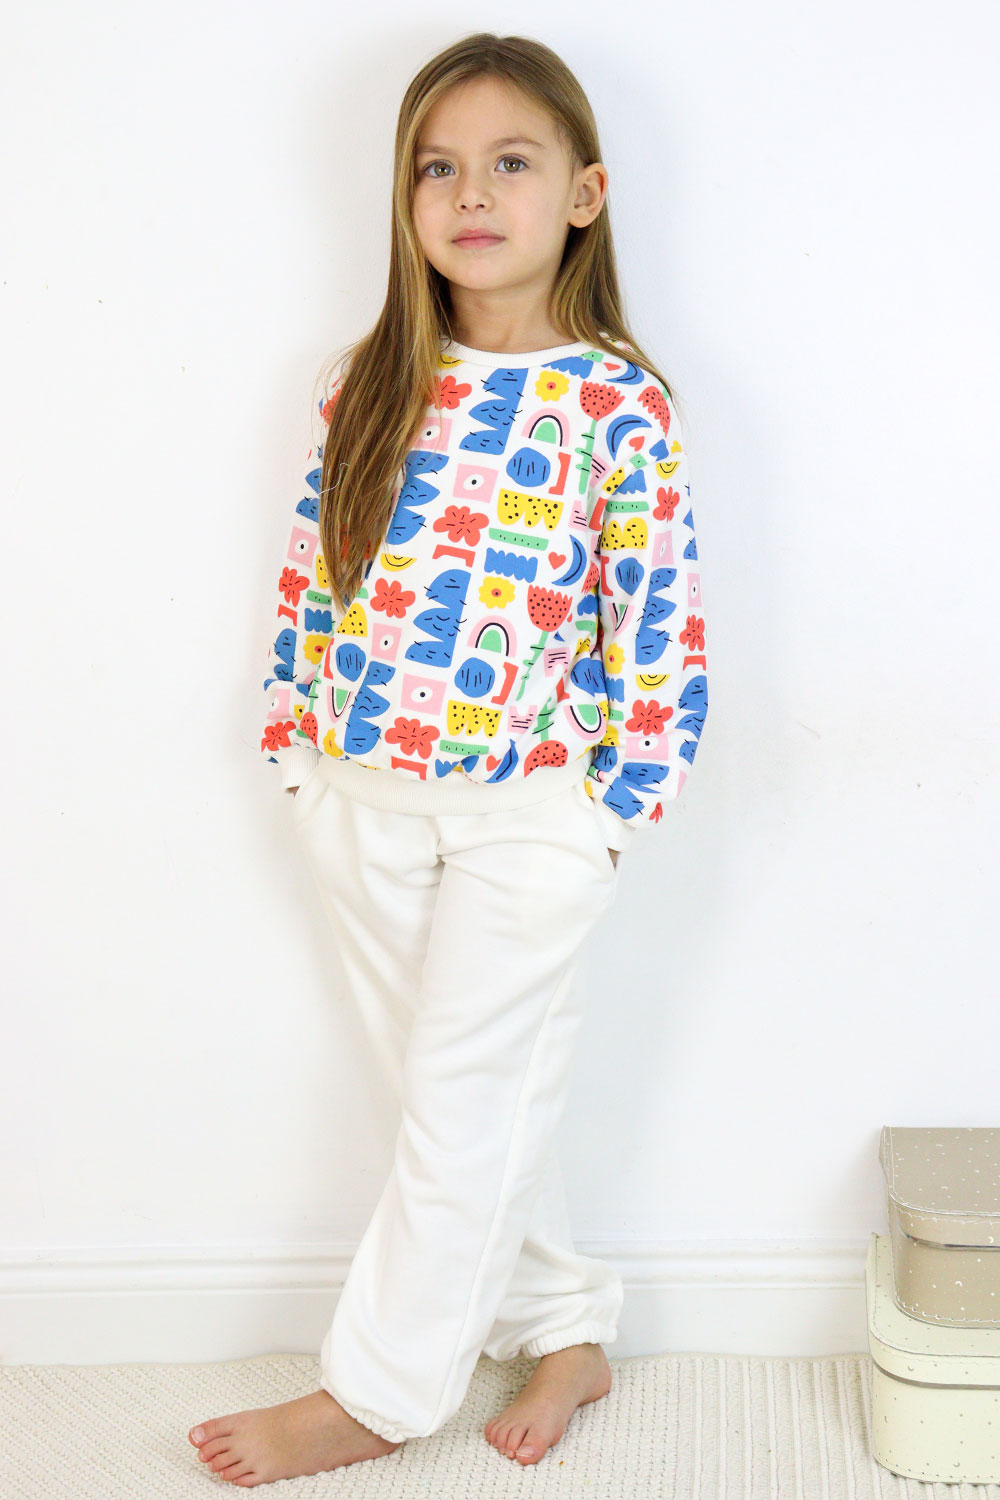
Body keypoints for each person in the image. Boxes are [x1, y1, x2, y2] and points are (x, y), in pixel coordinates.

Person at [189, 30, 709, 1488]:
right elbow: (315, 572)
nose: (471, 192)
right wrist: (296, 747)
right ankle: (567, 1325)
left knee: (468, 1101)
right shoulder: (366, 380)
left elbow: (656, 616)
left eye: (510, 162)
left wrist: (614, 807)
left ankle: (377, 1392)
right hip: (358, 793)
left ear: (584, 194)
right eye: (438, 167)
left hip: (532, 812)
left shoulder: (615, 402)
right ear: (405, 197)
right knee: (449, 1106)